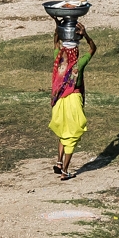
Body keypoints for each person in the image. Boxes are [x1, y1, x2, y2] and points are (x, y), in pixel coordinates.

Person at [48, 20, 96, 180]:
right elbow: (93, 49)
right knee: (72, 135)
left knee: (63, 133)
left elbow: (56, 42)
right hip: (73, 101)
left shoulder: (58, 61)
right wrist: (86, 34)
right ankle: (64, 172)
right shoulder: (78, 65)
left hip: (58, 102)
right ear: (75, 53)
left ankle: (59, 162)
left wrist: (58, 28)